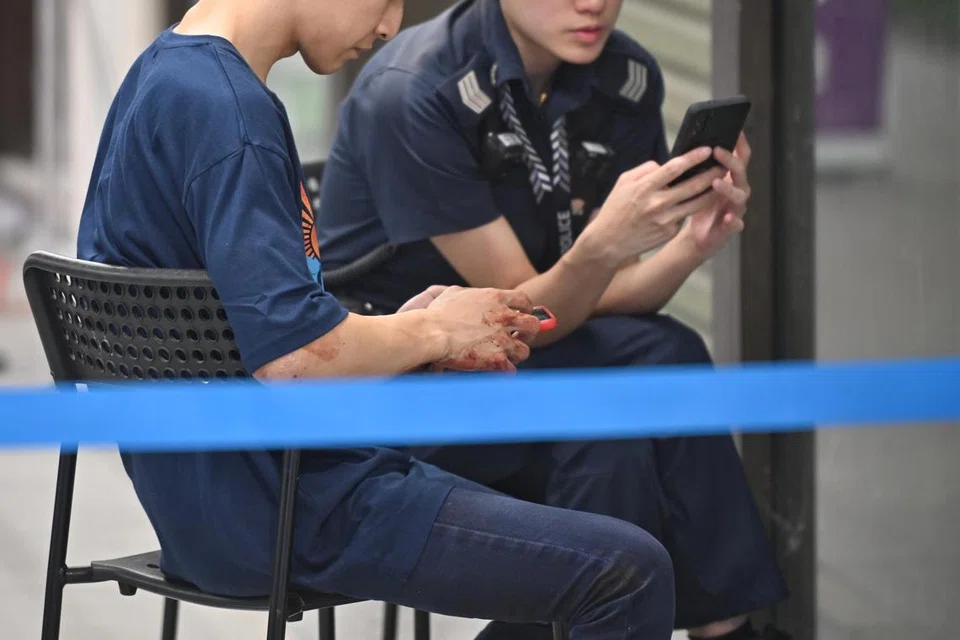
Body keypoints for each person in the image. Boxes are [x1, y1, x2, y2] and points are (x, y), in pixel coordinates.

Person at [75, 0, 690, 638]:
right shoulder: (230, 111)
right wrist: (436, 330)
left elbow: (254, 325)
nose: (390, 26)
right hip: (289, 505)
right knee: (628, 572)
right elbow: (293, 359)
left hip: (219, 500)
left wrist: (405, 331)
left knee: (607, 454)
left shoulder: (166, 72)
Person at [316, 0, 790, 638]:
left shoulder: (624, 76)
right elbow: (525, 314)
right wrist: (601, 247)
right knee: (657, 361)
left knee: (619, 435)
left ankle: (715, 629)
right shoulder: (414, 91)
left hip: (528, 368)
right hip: (408, 388)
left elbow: (599, 297)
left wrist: (690, 246)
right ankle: (731, 631)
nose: (592, 4)